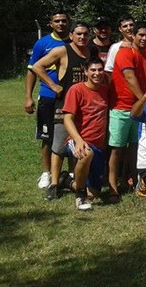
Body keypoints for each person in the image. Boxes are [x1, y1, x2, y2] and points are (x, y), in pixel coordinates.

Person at [31, 21, 97, 200]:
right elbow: (37, 66)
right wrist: (53, 85)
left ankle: (74, 178)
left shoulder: (92, 52)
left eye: (85, 34)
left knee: (80, 145)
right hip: (64, 107)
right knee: (59, 146)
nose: (82, 37)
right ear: (71, 35)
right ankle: (54, 184)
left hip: (86, 107)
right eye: (79, 34)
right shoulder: (62, 51)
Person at [108, 21, 146, 201]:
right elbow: (130, 77)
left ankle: (129, 181)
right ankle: (113, 188)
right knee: (116, 150)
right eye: (140, 35)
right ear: (133, 35)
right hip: (120, 108)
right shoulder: (124, 53)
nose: (144, 39)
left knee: (134, 148)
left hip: (138, 109)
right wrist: (143, 98)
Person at [25, 10, 71, 189]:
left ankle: (71, 173)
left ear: (69, 23)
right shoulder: (42, 44)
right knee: (47, 135)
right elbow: (32, 70)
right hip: (48, 96)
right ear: (51, 24)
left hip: (69, 97)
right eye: (57, 21)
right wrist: (28, 97)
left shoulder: (75, 41)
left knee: (69, 135)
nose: (61, 24)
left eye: (64, 21)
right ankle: (47, 173)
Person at [60, 57, 110, 211]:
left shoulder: (105, 90)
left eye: (100, 70)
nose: (97, 73)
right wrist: (78, 140)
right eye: (93, 70)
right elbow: (67, 118)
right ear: (86, 72)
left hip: (99, 144)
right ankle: (80, 196)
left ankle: (67, 181)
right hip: (79, 140)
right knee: (86, 153)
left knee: (93, 193)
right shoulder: (77, 90)